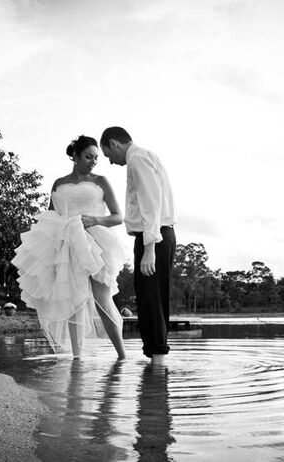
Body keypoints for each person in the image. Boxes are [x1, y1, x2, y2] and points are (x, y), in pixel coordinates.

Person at [11, 135, 126, 359]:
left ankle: (122, 356)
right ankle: (77, 357)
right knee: (75, 299)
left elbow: (118, 217)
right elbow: (51, 216)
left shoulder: (100, 181)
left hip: (95, 243)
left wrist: (94, 220)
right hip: (65, 244)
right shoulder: (58, 183)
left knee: (102, 298)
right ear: (75, 156)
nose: (93, 161)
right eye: (88, 156)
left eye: (96, 158)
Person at [100, 127, 176, 366]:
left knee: (150, 298)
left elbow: (150, 203)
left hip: (153, 236)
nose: (111, 162)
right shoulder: (144, 156)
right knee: (152, 297)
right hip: (157, 234)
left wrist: (150, 247)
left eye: (107, 154)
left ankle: (158, 362)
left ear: (114, 144)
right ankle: (157, 360)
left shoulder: (137, 159)